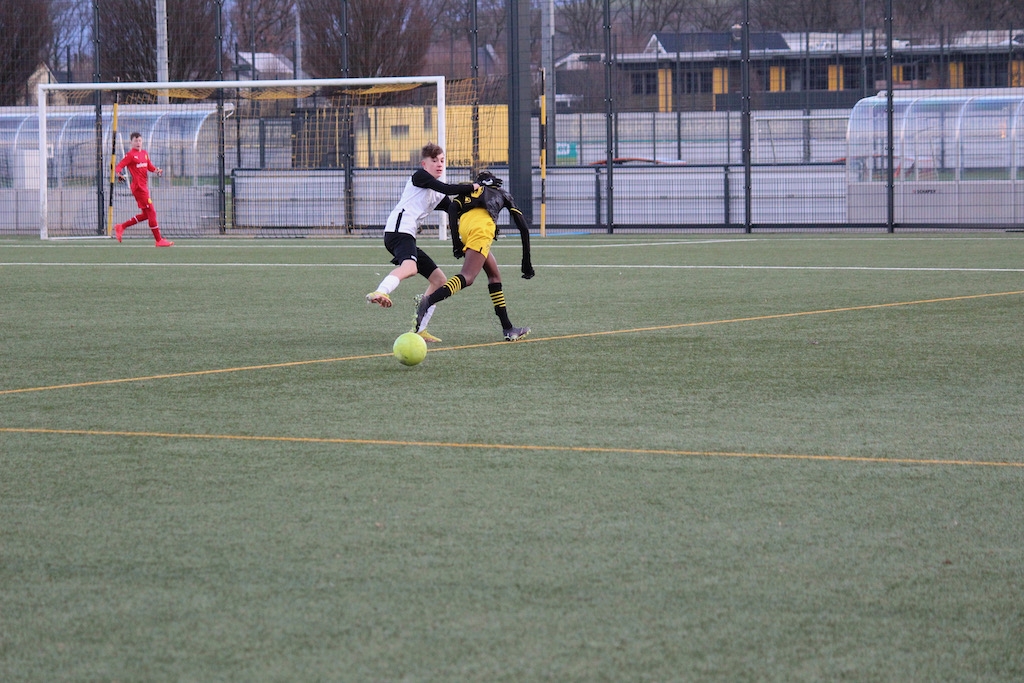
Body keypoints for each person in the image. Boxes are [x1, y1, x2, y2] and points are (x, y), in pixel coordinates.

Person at [365, 142, 478, 343]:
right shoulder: (420, 177)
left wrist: (481, 202)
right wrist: (473, 186)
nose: (439, 164)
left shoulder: (437, 193)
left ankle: (420, 329)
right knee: (410, 267)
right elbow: (446, 188)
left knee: (439, 280)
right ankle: (381, 291)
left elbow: (455, 209)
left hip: (406, 234)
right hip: (398, 231)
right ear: (424, 164)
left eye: (442, 160)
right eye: (434, 161)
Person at [415, 170, 535, 342]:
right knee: (468, 277)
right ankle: (428, 301)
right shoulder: (502, 193)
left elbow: (452, 209)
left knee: (494, 276)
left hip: (466, 229)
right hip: (482, 229)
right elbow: (523, 227)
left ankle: (508, 328)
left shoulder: (467, 190)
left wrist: (456, 243)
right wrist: (526, 261)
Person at [113, 132, 173, 247]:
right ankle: (158, 240)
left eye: (139, 140)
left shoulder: (144, 153)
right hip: (138, 188)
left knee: (146, 214)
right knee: (152, 212)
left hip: (144, 188)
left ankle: (121, 226)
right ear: (131, 142)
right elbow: (119, 166)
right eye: (135, 141)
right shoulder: (130, 155)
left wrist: (156, 170)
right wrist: (119, 174)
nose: (138, 143)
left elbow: (149, 166)